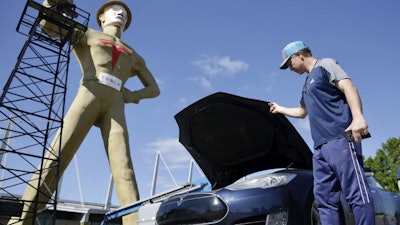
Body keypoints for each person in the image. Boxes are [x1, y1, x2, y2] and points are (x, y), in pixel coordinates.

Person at [8, 1, 160, 225]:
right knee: (58, 154)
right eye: (114, 10)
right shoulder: (88, 34)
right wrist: (51, 4)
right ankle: (23, 219)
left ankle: (134, 222)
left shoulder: (135, 56)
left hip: (116, 103)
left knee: (124, 167)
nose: (120, 13)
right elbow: (48, 26)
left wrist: (132, 95)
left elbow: (154, 89)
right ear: (101, 17)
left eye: (125, 13)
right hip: (89, 94)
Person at [268, 41, 375, 225]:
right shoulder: (305, 86)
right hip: (320, 149)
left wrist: (358, 118)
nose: (289, 68)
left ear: (299, 55)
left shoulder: (325, 65)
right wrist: (280, 109)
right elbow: (302, 112)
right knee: (325, 201)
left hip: (341, 139)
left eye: (289, 63)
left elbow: (349, 87)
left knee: (356, 193)